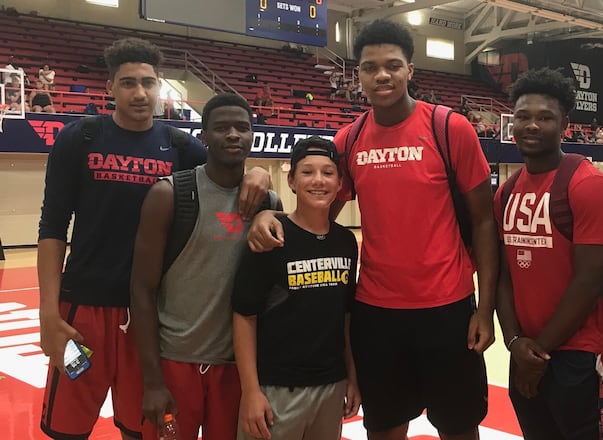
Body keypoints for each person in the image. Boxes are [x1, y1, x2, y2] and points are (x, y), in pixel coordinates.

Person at [248, 18, 498, 440]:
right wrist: (268, 212)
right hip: (377, 312)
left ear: (410, 70)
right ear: (358, 74)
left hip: (448, 306)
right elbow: (315, 214)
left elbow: (484, 220)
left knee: (458, 426)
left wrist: (485, 310)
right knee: (384, 426)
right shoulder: (349, 140)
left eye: (392, 65)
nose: (382, 75)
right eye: (370, 67)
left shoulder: (449, 128)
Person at [37, 37, 271, 440]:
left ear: (159, 86)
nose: (140, 93)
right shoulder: (80, 138)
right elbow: (52, 226)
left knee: (139, 427)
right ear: (110, 87)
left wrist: (261, 175)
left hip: (146, 321)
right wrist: (48, 313)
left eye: (148, 83)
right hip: (83, 314)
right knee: (67, 427)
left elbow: (228, 171)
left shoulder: (180, 146)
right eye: (128, 83)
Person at [130, 93, 275, 440]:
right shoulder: (169, 194)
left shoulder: (269, 204)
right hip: (175, 361)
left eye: (242, 127)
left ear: (252, 135)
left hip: (236, 367)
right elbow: (141, 290)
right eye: (222, 128)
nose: (233, 135)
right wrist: (152, 381)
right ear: (203, 136)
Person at [494, 67, 603, 440]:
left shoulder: (587, 184)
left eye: (545, 117)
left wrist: (537, 351)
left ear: (565, 125)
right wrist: (515, 343)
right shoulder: (506, 192)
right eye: (523, 117)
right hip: (526, 353)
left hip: (582, 355)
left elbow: (589, 281)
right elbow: (504, 275)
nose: (532, 125)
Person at [233, 136, 361, 440]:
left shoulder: (346, 242)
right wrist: (251, 391)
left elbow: (346, 316)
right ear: (291, 181)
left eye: (327, 173)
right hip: (277, 389)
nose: (318, 180)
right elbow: (244, 316)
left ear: (340, 183)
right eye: (307, 172)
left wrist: (352, 378)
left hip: (331, 386)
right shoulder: (270, 237)